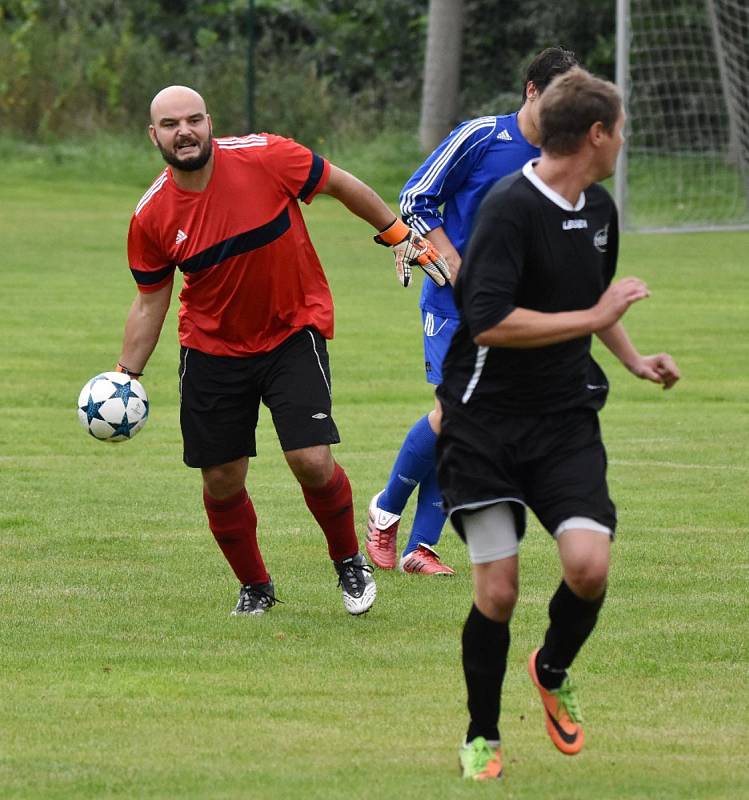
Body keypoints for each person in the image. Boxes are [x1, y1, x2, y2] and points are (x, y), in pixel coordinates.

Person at [116, 85, 449, 617]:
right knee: (222, 480)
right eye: (172, 124)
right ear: (153, 135)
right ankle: (255, 587)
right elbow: (149, 302)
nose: (185, 132)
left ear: (209, 122)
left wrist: (396, 233)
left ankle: (348, 561)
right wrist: (125, 375)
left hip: (292, 329)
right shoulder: (152, 215)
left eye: (194, 120)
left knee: (311, 460)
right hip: (211, 348)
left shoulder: (266, 156)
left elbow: (341, 184)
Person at [434, 68, 680, 779]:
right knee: (498, 590)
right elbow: (486, 322)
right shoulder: (510, 208)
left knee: (587, 566)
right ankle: (482, 733)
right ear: (596, 134)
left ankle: (551, 667)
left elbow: (591, 297)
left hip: (563, 420)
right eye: (620, 129)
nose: (622, 142)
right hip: (482, 424)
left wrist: (630, 358)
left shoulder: (597, 208)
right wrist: (596, 318)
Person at [365, 47, 579, 576]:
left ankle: (419, 546)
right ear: (532, 90)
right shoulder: (482, 136)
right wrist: (456, 263)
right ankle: (386, 511)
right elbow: (416, 196)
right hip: (453, 302)